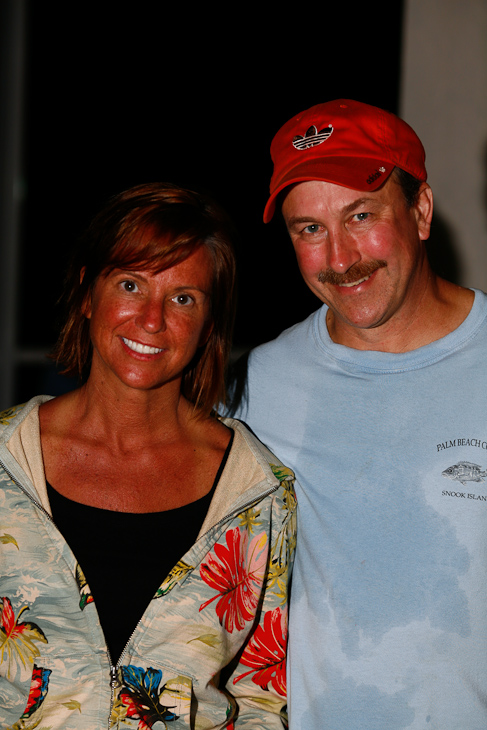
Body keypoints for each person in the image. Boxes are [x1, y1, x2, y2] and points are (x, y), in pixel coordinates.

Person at [0, 182, 296, 730]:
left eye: (183, 298)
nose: (153, 319)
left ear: (210, 320)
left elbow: (261, 697)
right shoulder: (4, 463)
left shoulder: (257, 491)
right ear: (88, 292)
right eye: (131, 285)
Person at [231, 100, 487, 728]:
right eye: (309, 229)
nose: (341, 258)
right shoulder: (255, 389)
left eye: (361, 215)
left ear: (421, 211)